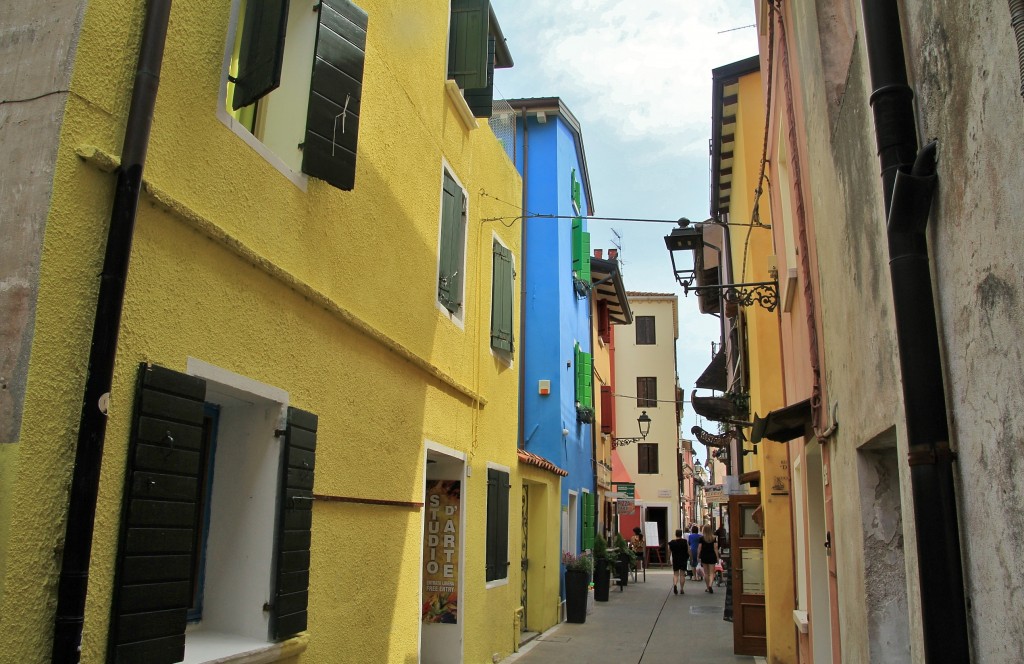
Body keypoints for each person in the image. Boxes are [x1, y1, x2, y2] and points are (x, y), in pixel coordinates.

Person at [697, 523, 720, 593]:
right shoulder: (714, 538)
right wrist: (717, 557)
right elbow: (715, 548)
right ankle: (710, 585)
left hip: (704, 556)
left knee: (706, 573)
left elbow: (699, 548)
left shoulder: (701, 538)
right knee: (712, 573)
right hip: (712, 556)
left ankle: (707, 587)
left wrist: (698, 556)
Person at [667, 529, 689, 594]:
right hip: (683, 559)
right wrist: (691, 557)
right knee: (682, 575)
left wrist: (668, 559)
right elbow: (688, 550)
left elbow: (669, 552)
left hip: (675, 559)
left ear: (675, 534)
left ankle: (675, 585)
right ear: (681, 534)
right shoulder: (685, 542)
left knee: (676, 574)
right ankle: (682, 589)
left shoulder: (672, 543)